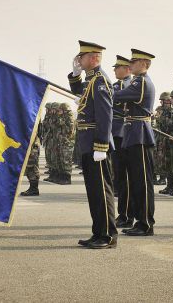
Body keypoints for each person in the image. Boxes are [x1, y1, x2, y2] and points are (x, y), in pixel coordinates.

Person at [68, 40, 118, 249]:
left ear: (94, 58)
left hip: (97, 145)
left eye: (83, 57)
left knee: (101, 190)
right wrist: (75, 74)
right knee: (93, 191)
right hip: (88, 142)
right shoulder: (90, 80)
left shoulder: (100, 81)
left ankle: (107, 236)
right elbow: (78, 90)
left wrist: (101, 146)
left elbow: (105, 116)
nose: (79, 60)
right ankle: (98, 232)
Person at [113, 49, 156, 236]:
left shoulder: (142, 82)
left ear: (144, 64)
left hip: (139, 134)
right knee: (135, 181)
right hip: (133, 133)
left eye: (135, 61)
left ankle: (146, 223)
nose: (130, 65)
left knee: (142, 182)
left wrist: (99, 92)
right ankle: (139, 220)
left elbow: (119, 96)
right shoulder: (139, 81)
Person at [111, 55, 135, 227]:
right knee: (121, 178)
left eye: (117, 67)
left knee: (123, 178)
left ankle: (125, 214)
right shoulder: (127, 85)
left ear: (127, 69)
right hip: (120, 133)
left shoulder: (121, 86)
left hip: (120, 134)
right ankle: (125, 214)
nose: (114, 70)